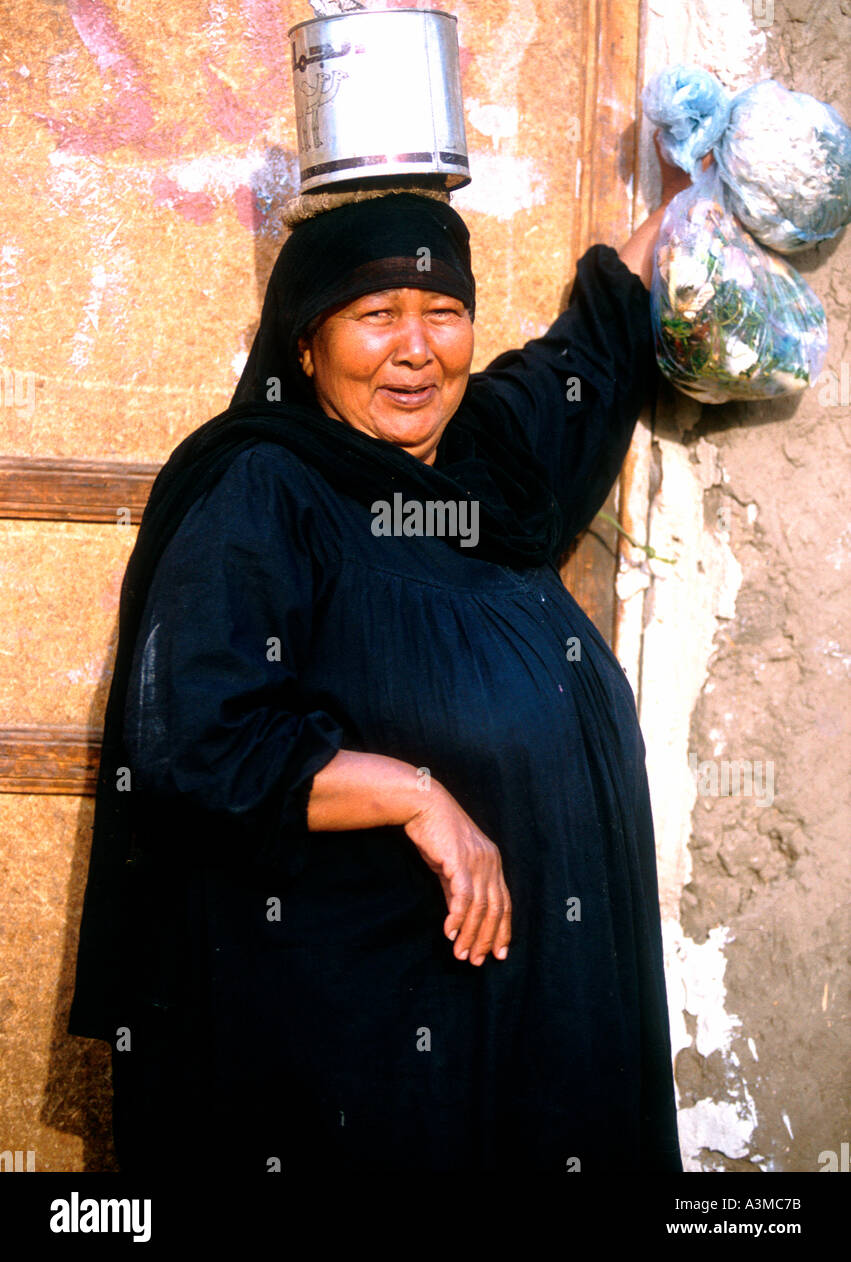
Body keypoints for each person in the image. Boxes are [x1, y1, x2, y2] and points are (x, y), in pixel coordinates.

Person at [68, 145, 692, 1173]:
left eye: (441, 312)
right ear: (306, 345)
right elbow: (197, 742)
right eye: (375, 315)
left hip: (538, 1017)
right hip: (371, 1042)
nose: (415, 349)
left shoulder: (483, 462)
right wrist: (414, 795)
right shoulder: (265, 491)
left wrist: (685, 205)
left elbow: (589, 352)